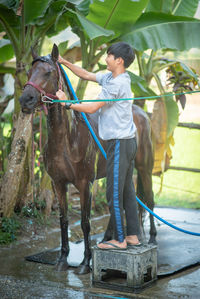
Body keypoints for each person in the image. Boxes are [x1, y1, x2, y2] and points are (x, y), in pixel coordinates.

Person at [56, 41, 140, 250]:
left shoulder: (117, 85)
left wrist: (66, 103)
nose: (106, 59)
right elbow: (86, 74)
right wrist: (64, 62)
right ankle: (133, 236)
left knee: (113, 193)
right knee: (128, 191)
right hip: (126, 141)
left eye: (109, 56)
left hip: (120, 143)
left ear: (119, 60)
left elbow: (92, 108)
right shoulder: (112, 77)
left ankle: (119, 240)